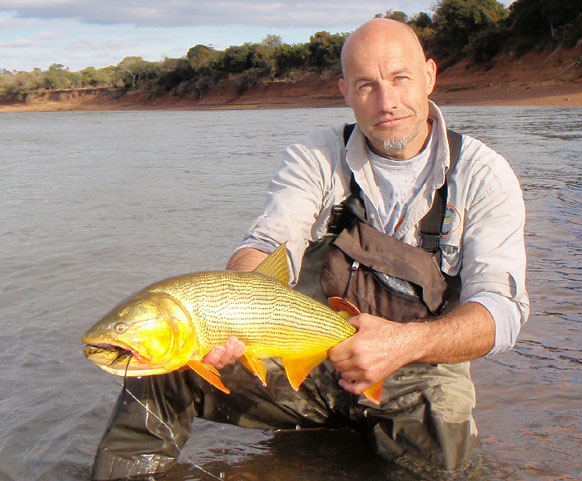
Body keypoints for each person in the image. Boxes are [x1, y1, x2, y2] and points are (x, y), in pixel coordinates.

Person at [91, 18, 529, 480]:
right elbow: (269, 240)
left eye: (400, 78)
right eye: (366, 86)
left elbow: (501, 313)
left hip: (419, 372)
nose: (387, 102)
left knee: (447, 469)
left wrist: (403, 344)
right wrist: (230, 311)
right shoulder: (314, 156)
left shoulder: (484, 176)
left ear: (430, 75)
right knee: (165, 366)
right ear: (345, 91)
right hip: (305, 363)